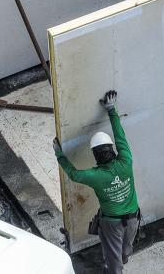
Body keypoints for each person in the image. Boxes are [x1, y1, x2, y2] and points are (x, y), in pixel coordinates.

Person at [53, 90, 139, 273]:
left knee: (113, 260)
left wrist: (60, 155)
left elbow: (74, 174)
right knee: (125, 249)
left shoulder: (95, 175)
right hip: (133, 218)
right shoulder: (125, 162)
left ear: (95, 154)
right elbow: (120, 136)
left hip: (111, 224)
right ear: (112, 149)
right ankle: (124, 258)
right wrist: (111, 109)